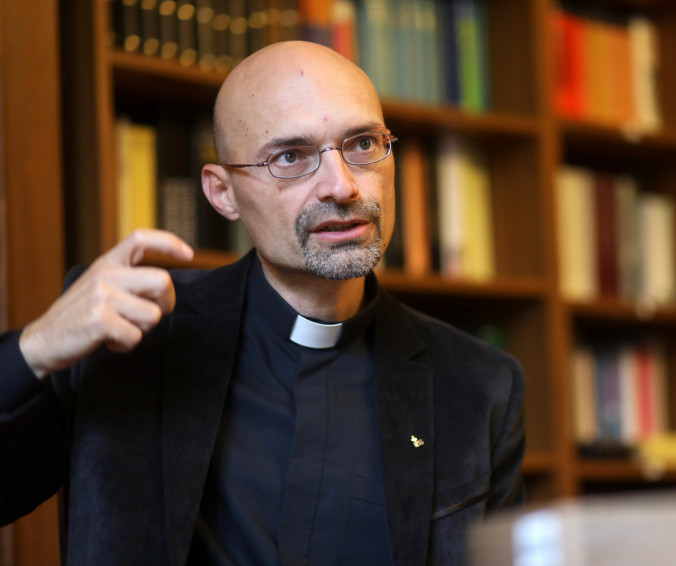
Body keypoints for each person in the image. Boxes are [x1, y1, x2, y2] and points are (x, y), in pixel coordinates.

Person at [0, 41, 525, 566]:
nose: (341, 186)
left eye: (363, 143)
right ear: (223, 193)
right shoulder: (132, 334)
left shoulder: (479, 384)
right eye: (291, 157)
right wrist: (33, 349)